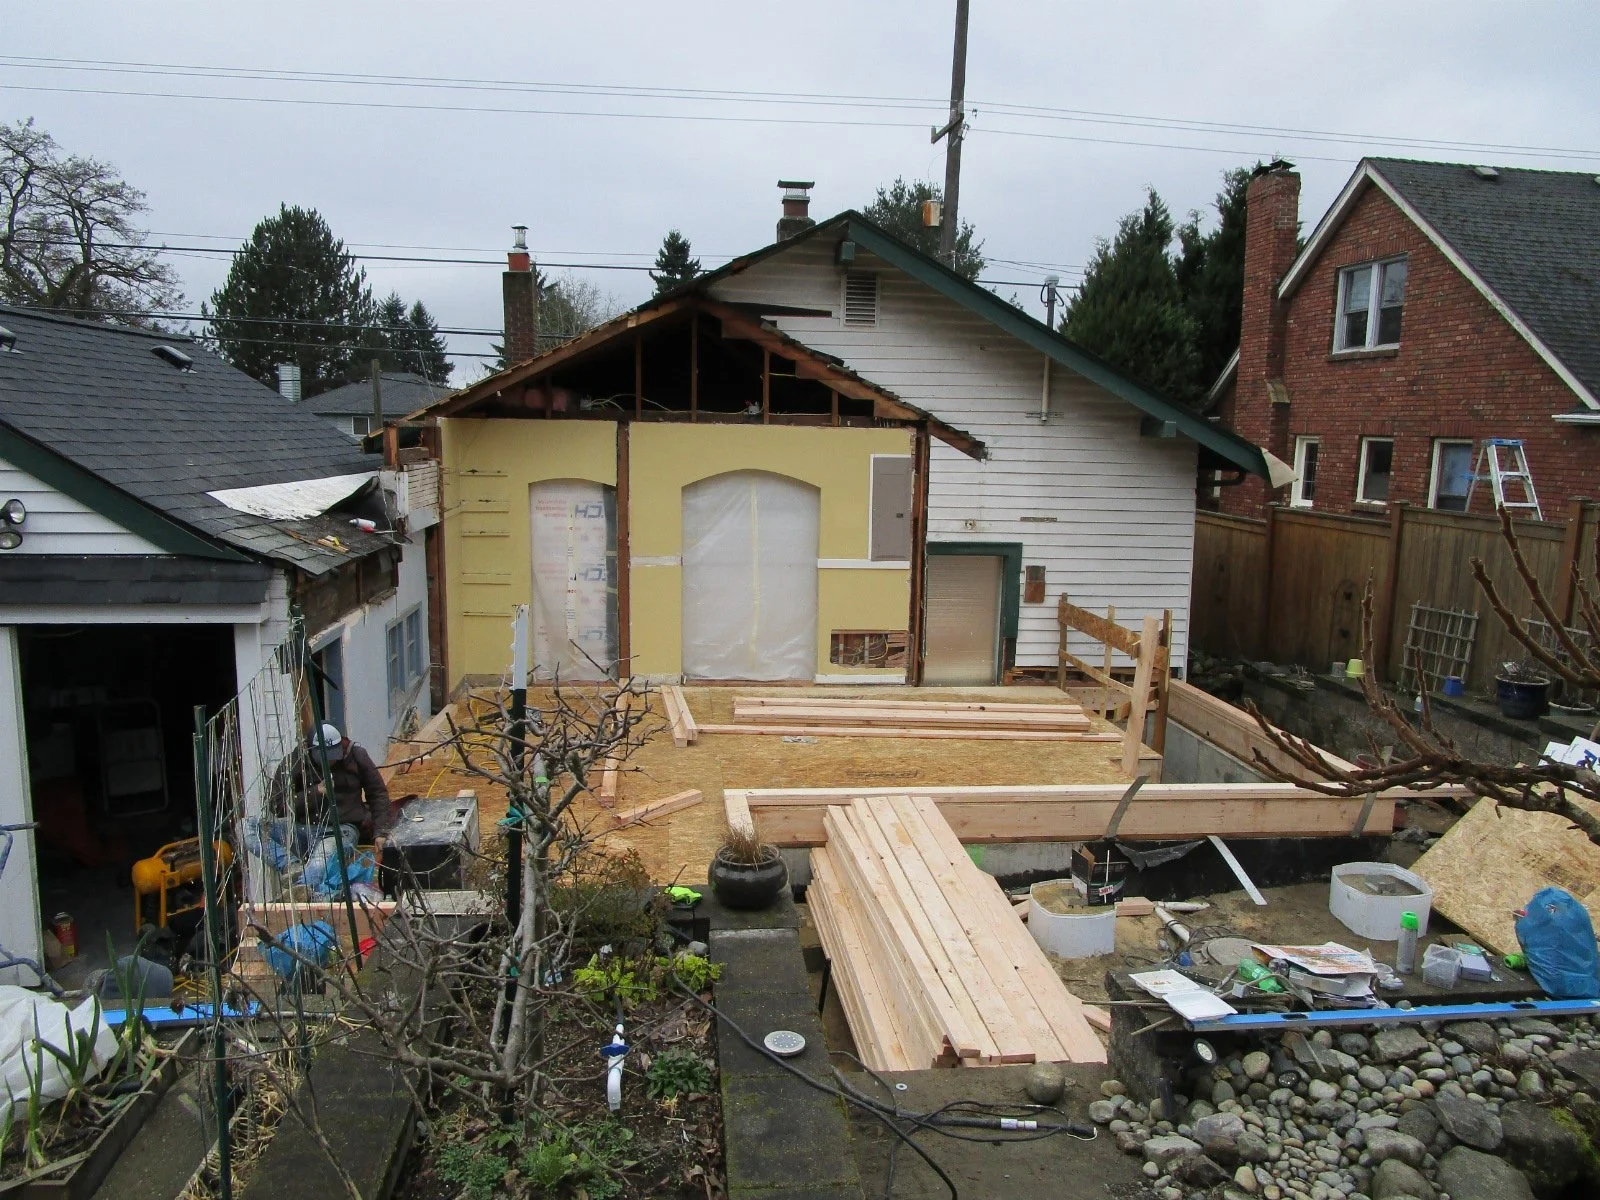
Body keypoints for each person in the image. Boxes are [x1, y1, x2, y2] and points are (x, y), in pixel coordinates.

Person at [303, 723, 394, 857]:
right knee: (262, 830)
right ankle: (291, 866)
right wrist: (315, 792)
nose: (329, 762)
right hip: (307, 828)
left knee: (324, 856)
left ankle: (308, 874)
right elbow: (278, 804)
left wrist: (381, 831)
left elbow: (377, 793)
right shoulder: (300, 760)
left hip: (343, 829)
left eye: (333, 756)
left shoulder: (356, 755)